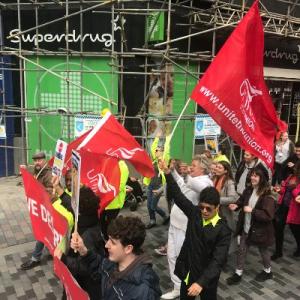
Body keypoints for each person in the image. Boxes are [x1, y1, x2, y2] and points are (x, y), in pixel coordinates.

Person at [159, 160, 231, 300]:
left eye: (208, 209)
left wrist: (201, 282)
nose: (204, 211)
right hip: (189, 274)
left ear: (217, 207)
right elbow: (179, 197)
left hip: (207, 280)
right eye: (202, 207)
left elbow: (218, 260)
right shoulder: (195, 214)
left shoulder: (223, 230)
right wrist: (168, 173)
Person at [70, 216, 162, 299]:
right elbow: (100, 266)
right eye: (108, 239)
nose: (106, 245)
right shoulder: (115, 262)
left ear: (128, 249)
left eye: (113, 242)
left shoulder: (143, 291)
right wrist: (83, 250)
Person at [226, 166, 276, 285]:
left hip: (261, 230)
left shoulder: (267, 195)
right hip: (247, 228)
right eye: (252, 175)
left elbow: (268, 215)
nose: (252, 178)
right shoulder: (248, 189)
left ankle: (268, 271)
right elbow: (242, 200)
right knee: (242, 250)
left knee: (263, 251)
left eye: (256, 176)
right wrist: (236, 206)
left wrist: (252, 211)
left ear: (262, 178)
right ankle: (238, 273)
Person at [54, 186, 105, 300]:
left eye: (75, 201)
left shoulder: (88, 236)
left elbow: (84, 267)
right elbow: (70, 205)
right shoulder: (88, 215)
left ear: (79, 208)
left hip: (83, 285)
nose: (72, 203)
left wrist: (63, 258)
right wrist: (59, 190)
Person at [20, 151, 54, 270]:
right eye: (35, 160)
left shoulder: (48, 174)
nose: (37, 162)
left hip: (48, 208)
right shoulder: (38, 170)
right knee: (48, 231)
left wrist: (38, 188)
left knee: (42, 232)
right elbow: (31, 173)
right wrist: (24, 170)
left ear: (44, 160)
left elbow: (51, 191)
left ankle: (35, 258)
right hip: (40, 207)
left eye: (39, 160)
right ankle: (52, 252)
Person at [272, 160, 300, 260]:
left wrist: (294, 189)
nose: (294, 169)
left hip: (294, 210)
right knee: (278, 228)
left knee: (295, 230)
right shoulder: (290, 177)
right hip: (283, 206)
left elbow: (297, 194)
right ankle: (278, 251)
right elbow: (284, 190)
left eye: (296, 168)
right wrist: (279, 190)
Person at [144, 132, 170, 229]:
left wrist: (167, 136)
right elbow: (152, 148)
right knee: (148, 205)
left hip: (158, 187)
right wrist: (157, 137)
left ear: (162, 152)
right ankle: (152, 220)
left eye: (158, 150)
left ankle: (165, 216)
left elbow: (167, 148)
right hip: (150, 185)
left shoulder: (164, 161)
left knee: (153, 206)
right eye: (156, 150)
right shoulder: (154, 160)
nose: (156, 151)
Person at [100, 160, 129, 240]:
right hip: (103, 200)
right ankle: (106, 239)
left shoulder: (122, 166)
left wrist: (105, 192)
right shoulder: (107, 162)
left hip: (114, 202)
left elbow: (119, 186)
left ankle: (111, 241)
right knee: (102, 222)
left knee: (111, 224)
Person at [213, 161, 238, 253]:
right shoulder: (214, 178)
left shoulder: (229, 182)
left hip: (223, 214)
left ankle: (223, 255)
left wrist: (217, 200)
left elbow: (233, 198)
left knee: (225, 236)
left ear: (226, 171)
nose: (216, 169)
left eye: (219, 168)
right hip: (214, 213)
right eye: (216, 167)